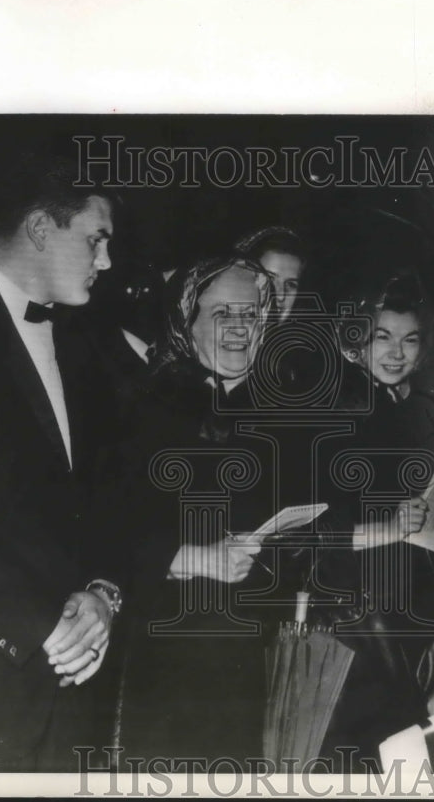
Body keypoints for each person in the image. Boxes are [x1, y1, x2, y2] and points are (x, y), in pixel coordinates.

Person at [0, 154, 127, 770]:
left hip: (78, 683)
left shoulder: (87, 346)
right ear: (38, 229)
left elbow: (110, 491)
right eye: (95, 240)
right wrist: (38, 625)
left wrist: (105, 593)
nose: (106, 262)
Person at [118, 257, 273, 764]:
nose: (239, 328)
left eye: (250, 314)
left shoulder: (264, 411)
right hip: (161, 656)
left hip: (243, 658)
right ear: (185, 321)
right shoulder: (143, 404)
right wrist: (201, 559)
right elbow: (110, 533)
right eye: (222, 313)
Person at [312, 273, 434, 770]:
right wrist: (392, 526)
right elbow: (314, 531)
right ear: (355, 342)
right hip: (353, 612)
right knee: (371, 745)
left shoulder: (404, 406)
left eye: (410, 339)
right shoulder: (342, 409)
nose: (396, 352)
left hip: (398, 600)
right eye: (382, 336)